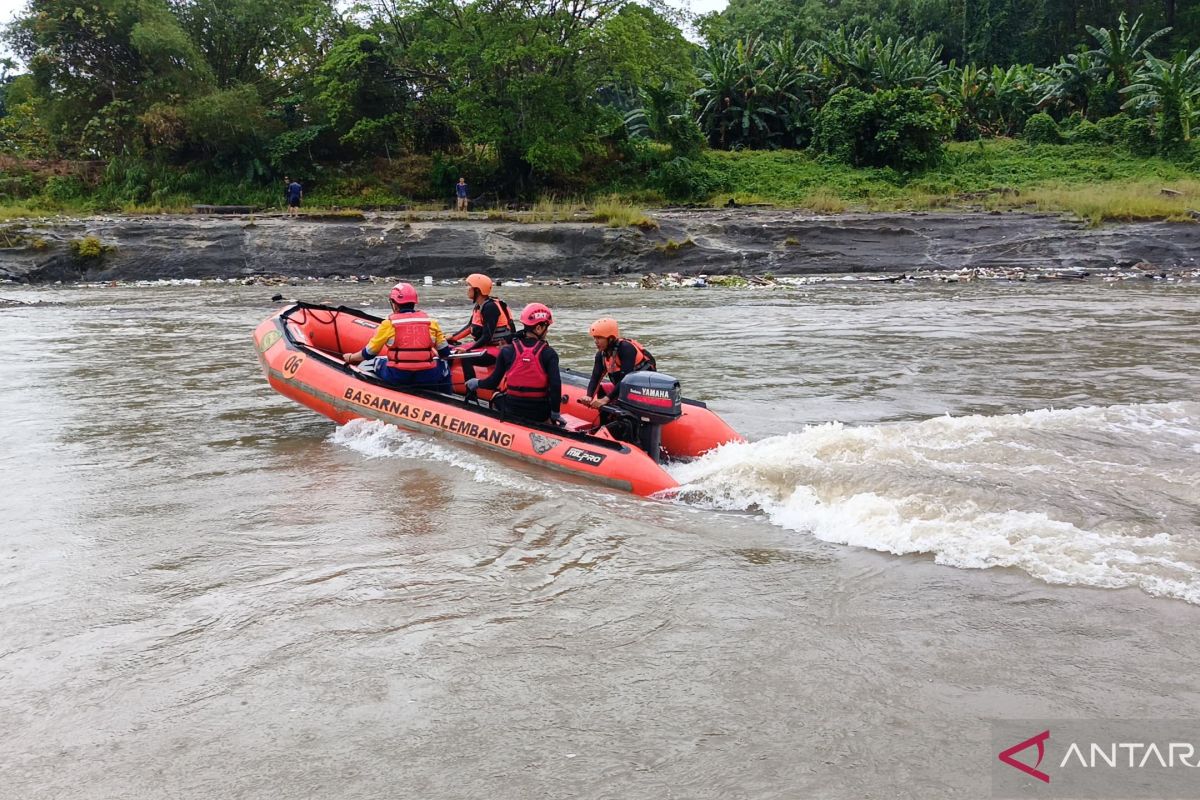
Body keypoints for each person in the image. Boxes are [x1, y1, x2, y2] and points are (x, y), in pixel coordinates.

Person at [467, 303, 564, 426]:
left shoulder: (507, 351)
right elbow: (555, 386)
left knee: (496, 396)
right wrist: (555, 413)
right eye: (546, 327)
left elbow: (492, 382)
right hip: (539, 413)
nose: (547, 331)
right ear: (539, 328)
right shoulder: (549, 353)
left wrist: (476, 383)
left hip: (512, 408)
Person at [342, 282, 452, 391]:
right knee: (444, 365)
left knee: (368, 363)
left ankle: (371, 394)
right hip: (426, 376)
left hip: (398, 376)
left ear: (394, 304)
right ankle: (448, 399)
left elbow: (369, 353)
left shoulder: (388, 324)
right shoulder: (432, 323)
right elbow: (445, 353)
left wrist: (351, 357)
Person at [447, 272, 515, 381]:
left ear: (477, 290)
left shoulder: (490, 307)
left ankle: (471, 393)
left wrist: (468, 349)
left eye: (469, 286)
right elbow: (470, 327)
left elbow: (487, 336)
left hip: (498, 349)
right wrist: (452, 338)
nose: (467, 289)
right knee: (451, 349)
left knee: (466, 358)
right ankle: (447, 380)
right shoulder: (480, 306)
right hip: (487, 346)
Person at [582, 318, 657, 409]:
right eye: (595, 337)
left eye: (599, 337)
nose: (596, 341)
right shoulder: (601, 355)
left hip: (643, 389)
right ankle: (605, 421)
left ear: (610, 338)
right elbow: (595, 377)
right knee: (602, 389)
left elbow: (626, 379)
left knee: (613, 397)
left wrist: (606, 399)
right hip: (626, 387)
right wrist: (589, 396)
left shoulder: (626, 348)